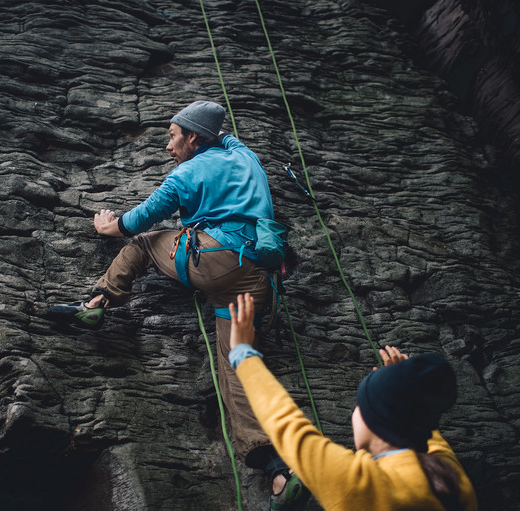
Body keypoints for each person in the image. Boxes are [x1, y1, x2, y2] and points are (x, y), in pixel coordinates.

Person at [47, 101, 308, 508]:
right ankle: (278, 471)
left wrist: (107, 226)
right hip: (260, 280)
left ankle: (96, 301)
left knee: (144, 244)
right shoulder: (246, 156)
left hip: (217, 263)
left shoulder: (187, 173)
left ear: (193, 138)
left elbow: (140, 220)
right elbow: (227, 136)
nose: (168, 146)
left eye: (172, 136)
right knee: (237, 364)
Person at [228, 293, 479, 511]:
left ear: (376, 420)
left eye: (360, 406)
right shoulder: (451, 476)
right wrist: (405, 385)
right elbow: (423, 422)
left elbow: (287, 424)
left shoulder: (361, 484)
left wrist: (242, 352)